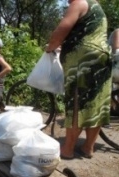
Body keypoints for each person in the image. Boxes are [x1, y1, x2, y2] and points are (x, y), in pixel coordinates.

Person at [46, 0, 112, 159]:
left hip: (83, 61)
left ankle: (68, 149)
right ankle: (88, 147)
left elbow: (61, 31)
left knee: (77, 102)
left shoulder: (79, 2)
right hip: (102, 57)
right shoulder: (97, 8)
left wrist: (49, 48)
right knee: (96, 103)